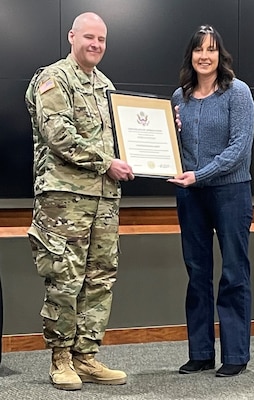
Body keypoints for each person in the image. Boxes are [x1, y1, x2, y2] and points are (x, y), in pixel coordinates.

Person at [25, 12, 134, 391]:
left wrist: (161, 130)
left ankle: (86, 356)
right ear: (72, 36)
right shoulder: (54, 78)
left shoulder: (106, 86)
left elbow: (120, 138)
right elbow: (59, 135)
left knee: (100, 278)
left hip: (104, 199)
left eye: (101, 39)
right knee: (64, 277)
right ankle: (60, 359)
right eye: (89, 37)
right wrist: (108, 163)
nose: (96, 45)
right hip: (65, 200)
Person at [168, 25, 254, 377]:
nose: (205, 56)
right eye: (199, 49)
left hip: (231, 193)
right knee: (197, 273)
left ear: (221, 55)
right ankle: (201, 351)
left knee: (234, 273)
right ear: (191, 55)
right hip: (190, 195)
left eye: (212, 49)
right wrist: (168, 134)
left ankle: (235, 354)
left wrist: (200, 175)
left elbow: (239, 149)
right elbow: (175, 149)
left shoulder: (238, 93)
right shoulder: (179, 97)